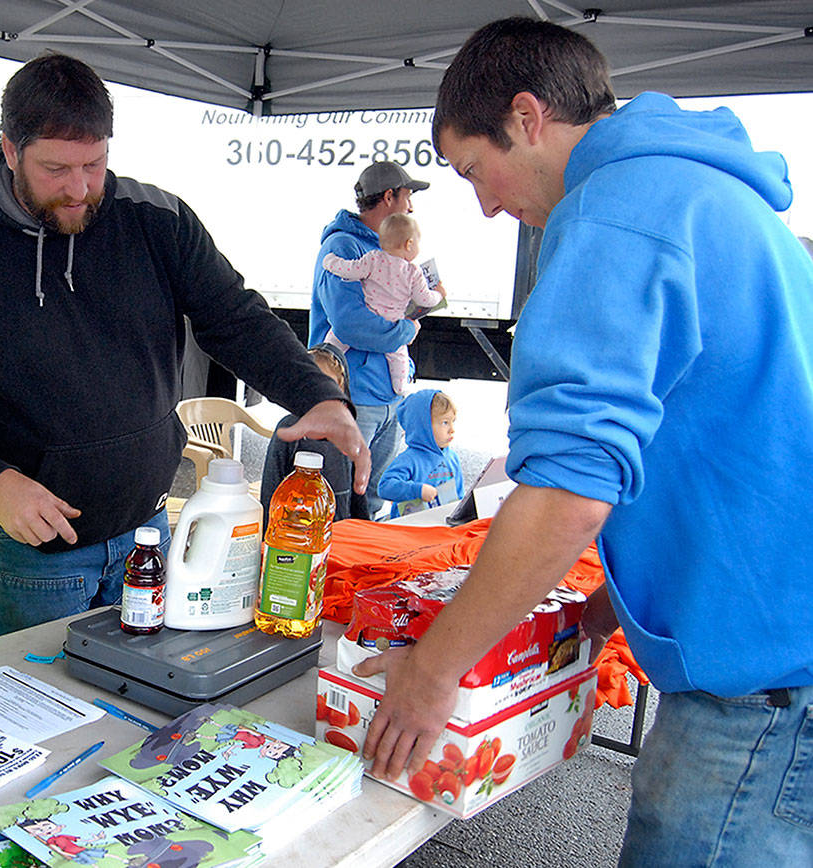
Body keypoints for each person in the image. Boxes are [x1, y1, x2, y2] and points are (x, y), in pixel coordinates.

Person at [357, 17, 813, 864]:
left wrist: (433, 671)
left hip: (756, 689)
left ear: (528, 118)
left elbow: (570, 489)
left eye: (474, 172)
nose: (488, 205)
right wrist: (614, 608)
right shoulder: (711, 193)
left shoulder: (615, 213)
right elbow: (723, 436)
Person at [0, 52, 367, 636]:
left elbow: (234, 317)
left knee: (147, 701)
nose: (80, 188)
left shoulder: (155, 218)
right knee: (41, 711)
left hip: (150, 531)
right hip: (39, 554)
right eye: (56, 168)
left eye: (94, 163)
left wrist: (314, 393)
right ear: (10, 150)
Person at [310, 161, 441, 518]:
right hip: (352, 397)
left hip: (386, 396)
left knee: (369, 500)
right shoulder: (344, 247)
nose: (411, 206)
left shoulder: (386, 252)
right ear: (389, 196)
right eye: (408, 196)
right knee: (336, 500)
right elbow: (351, 324)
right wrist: (407, 330)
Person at [320, 213, 446, 395]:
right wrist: (439, 294)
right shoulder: (413, 272)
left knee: (333, 342)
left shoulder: (373, 259)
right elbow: (425, 299)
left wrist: (330, 262)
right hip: (391, 322)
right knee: (399, 357)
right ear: (409, 244)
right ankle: (400, 387)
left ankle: (321, 369)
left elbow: (350, 270)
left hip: (369, 313)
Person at [260, 343, 369, 522]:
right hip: (296, 529)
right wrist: (266, 531)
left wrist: (364, 525)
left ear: (341, 389)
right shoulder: (289, 428)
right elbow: (271, 483)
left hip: (339, 527)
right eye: (312, 387)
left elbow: (358, 493)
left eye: (328, 387)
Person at [376, 389, 462, 517]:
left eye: (452, 421)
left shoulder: (452, 458)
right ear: (423, 426)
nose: (452, 430)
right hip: (407, 527)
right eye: (445, 423)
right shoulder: (409, 460)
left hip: (440, 524)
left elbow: (459, 495)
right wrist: (418, 490)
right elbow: (384, 487)